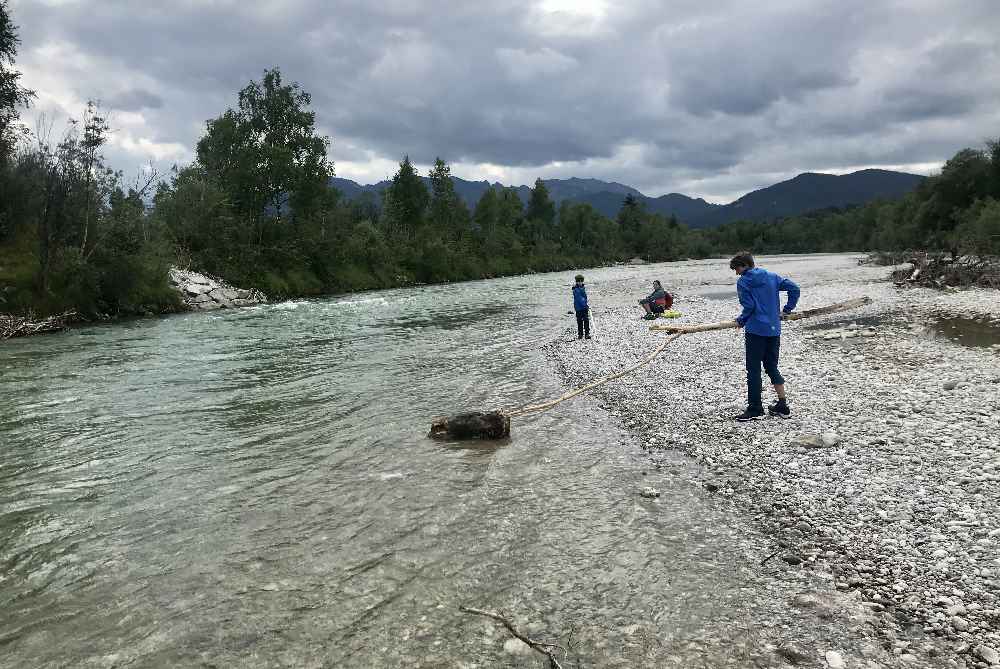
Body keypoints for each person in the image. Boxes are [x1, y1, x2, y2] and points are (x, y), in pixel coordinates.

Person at [730, 252, 800, 422]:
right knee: (771, 366)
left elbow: (750, 306)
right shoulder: (772, 276)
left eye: (737, 269)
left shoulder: (744, 281)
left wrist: (741, 320)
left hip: (756, 331)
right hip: (774, 330)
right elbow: (794, 288)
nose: (737, 273)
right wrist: (787, 309)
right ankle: (782, 405)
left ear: (745, 265)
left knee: (753, 370)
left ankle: (755, 408)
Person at [572, 274, 591, 339]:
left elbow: (584, 297)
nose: (580, 282)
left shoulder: (582, 288)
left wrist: (586, 304)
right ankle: (580, 334)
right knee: (579, 321)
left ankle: (587, 333)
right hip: (579, 308)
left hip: (583, 307)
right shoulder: (576, 290)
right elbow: (580, 299)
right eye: (578, 281)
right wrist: (585, 305)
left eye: (581, 281)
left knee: (586, 320)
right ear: (576, 282)